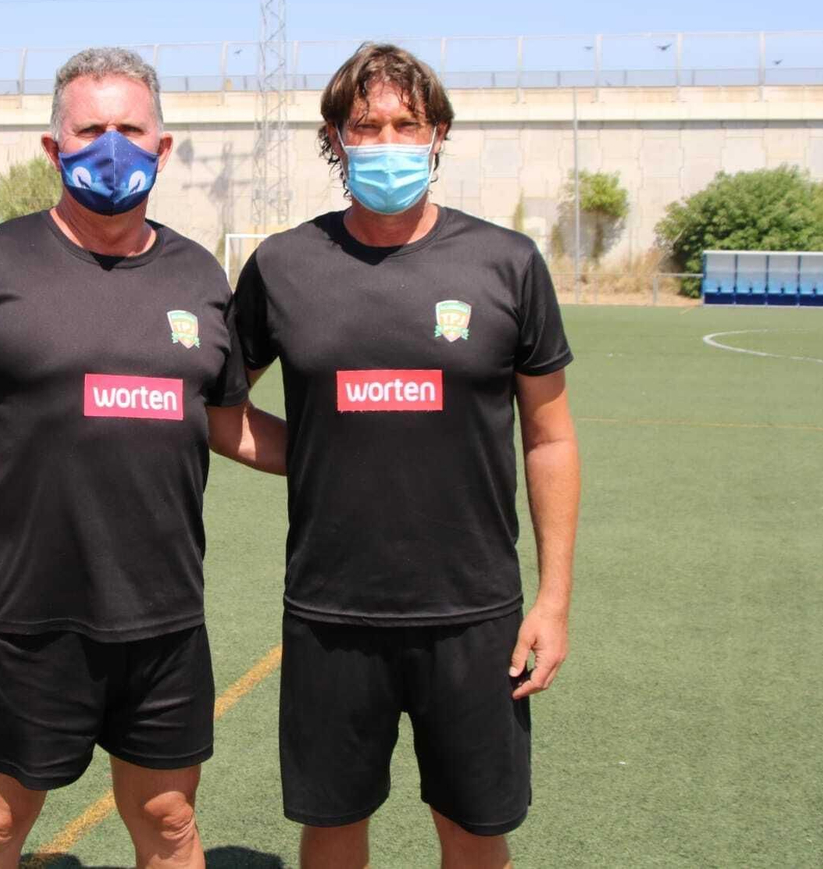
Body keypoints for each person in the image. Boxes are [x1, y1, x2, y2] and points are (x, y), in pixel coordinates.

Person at [0, 47, 285, 869]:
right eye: (92, 129)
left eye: (132, 128)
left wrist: (354, 449)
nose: (113, 147)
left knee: (170, 821)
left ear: (164, 147)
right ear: (53, 147)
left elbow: (228, 422)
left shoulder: (199, 274)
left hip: (164, 617)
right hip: (26, 615)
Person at [232, 43, 581, 869]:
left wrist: (554, 599)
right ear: (335, 138)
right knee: (332, 826)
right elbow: (219, 408)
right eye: (366, 126)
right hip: (331, 610)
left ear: (438, 134)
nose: (386, 141)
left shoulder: (507, 263)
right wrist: (314, 452)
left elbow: (551, 435)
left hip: (475, 609)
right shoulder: (283, 266)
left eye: (405, 124)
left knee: (473, 830)